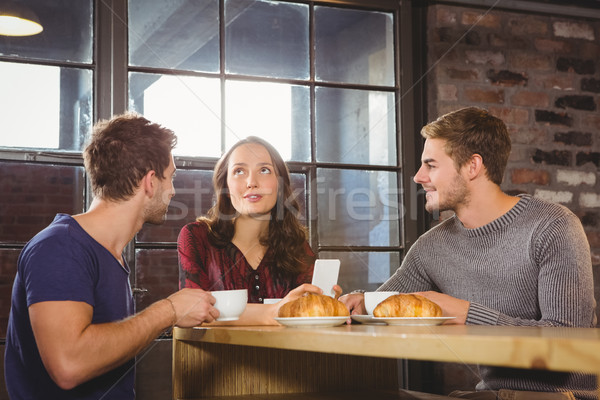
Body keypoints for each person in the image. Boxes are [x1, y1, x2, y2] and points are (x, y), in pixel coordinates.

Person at [339, 107, 597, 400]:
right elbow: (385, 308)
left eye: (431, 165)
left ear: (472, 166)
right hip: (488, 396)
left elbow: (570, 341)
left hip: (561, 397)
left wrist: (465, 313)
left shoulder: (553, 226)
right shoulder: (432, 246)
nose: (418, 176)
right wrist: (359, 303)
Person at [5, 113, 220, 400]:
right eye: (171, 178)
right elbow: (69, 365)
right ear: (150, 181)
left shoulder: (109, 255)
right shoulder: (60, 247)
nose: (173, 190)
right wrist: (168, 311)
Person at [178, 136, 316, 306]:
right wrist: (276, 311)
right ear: (226, 188)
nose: (252, 182)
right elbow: (193, 312)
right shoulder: (196, 237)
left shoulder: (296, 246)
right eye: (239, 171)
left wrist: (341, 303)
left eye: (264, 170)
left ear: (280, 186)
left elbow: (310, 311)